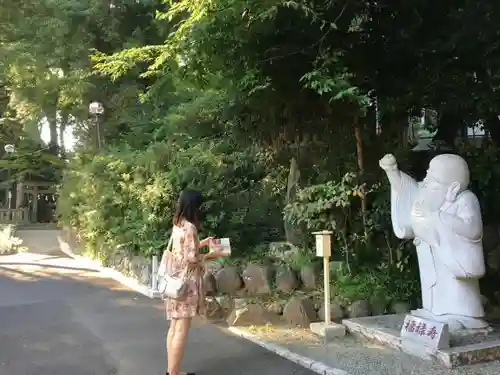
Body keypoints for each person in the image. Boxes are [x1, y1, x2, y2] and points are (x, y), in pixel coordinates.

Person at [379, 153, 489, 332]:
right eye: (427, 175)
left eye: (432, 179)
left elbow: (472, 229)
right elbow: (410, 192)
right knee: (435, 286)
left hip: (454, 261)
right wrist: (393, 173)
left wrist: (438, 218)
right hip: (431, 258)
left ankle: (465, 316)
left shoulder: (466, 199)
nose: (426, 181)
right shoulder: (431, 194)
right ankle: (435, 311)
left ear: (452, 188)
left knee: (457, 291)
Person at [163, 190, 226, 375]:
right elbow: (191, 258)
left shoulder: (178, 225)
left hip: (175, 281)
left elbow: (182, 252)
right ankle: (173, 373)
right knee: (182, 328)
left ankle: (172, 370)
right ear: (194, 207)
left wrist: (203, 242)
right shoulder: (190, 228)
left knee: (174, 326)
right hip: (187, 284)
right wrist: (213, 254)